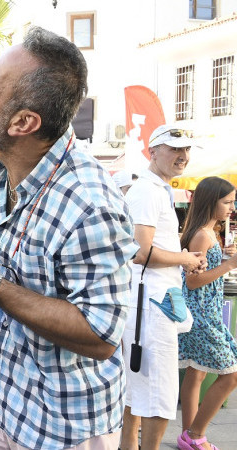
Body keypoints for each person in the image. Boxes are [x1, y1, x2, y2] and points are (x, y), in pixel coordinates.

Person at [0, 26, 139, 448]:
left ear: (23, 122)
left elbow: (102, 336)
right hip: (6, 402)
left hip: (63, 424)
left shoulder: (91, 204)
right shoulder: (3, 155)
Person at [120, 124, 208, 450]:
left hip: (150, 302)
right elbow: (141, 251)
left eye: (185, 150)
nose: (182, 156)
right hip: (151, 304)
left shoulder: (155, 189)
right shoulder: (148, 190)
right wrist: (183, 258)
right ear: (152, 152)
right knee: (159, 393)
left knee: (139, 388)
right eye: (174, 148)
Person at [176, 176, 237, 450]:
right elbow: (192, 280)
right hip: (202, 314)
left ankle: (189, 435)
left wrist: (223, 257)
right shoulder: (203, 233)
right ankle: (195, 433)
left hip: (204, 312)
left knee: (196, 372)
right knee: (231, 375)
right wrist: (230, 264)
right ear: (211, 202)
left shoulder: (208, 232)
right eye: (227, 202)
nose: (231, 208)